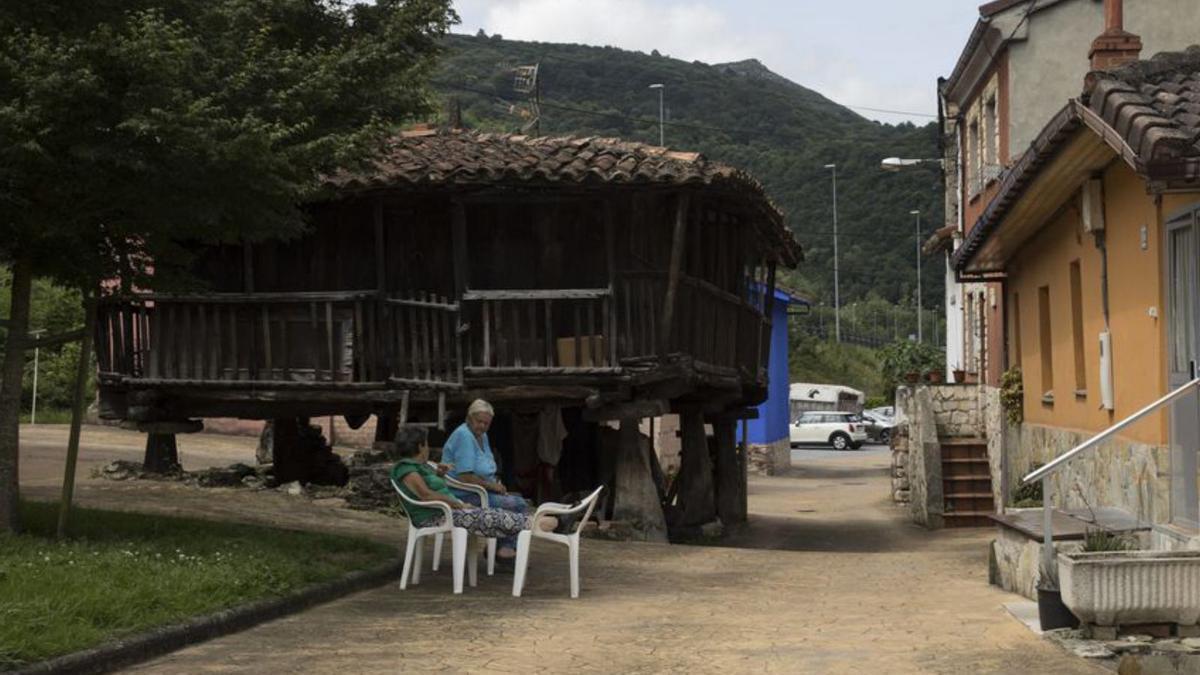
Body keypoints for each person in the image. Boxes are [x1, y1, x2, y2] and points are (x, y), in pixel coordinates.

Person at [391, 440, 550, 567]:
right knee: (489, 517)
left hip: (448, 511)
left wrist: (440, 474)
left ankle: (535, 524)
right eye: (426, 443)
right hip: (437, 516)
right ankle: (539, 523)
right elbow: (426, 495)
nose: (427, 447)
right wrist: (457, 504)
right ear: (420, 446)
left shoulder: (421, 467)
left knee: (491, 515)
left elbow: (433, 487)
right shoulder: (406, 469)